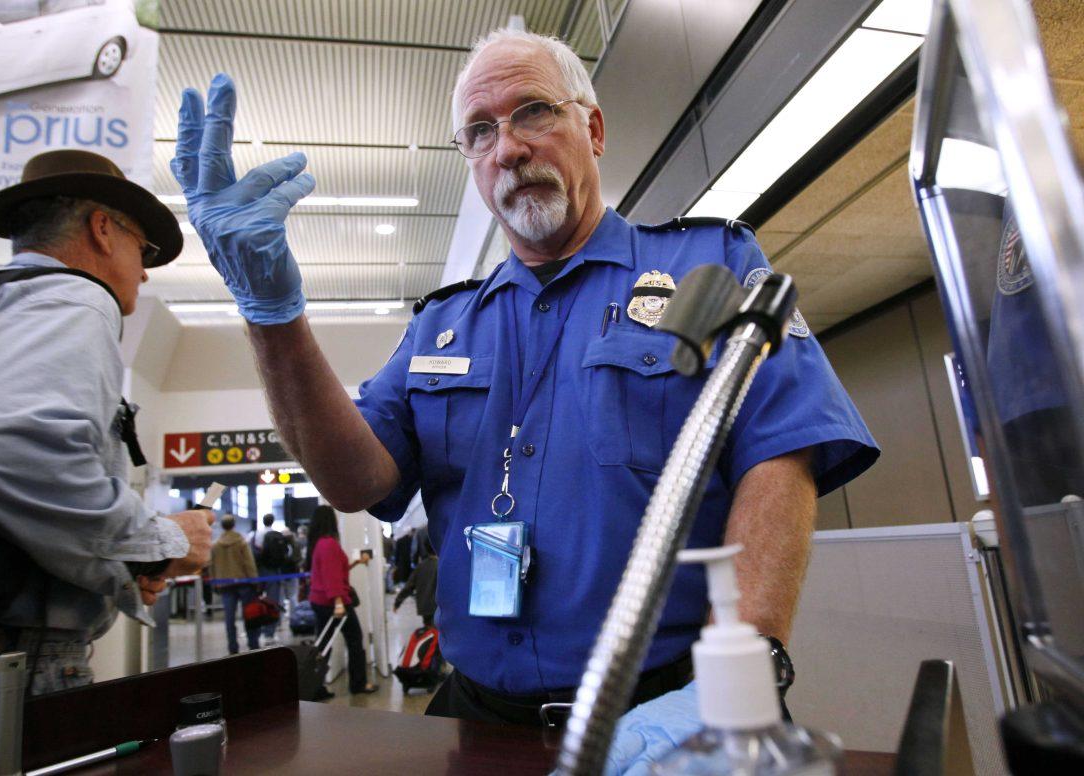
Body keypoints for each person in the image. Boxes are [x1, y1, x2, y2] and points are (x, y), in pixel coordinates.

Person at [172, 29, 877, 763]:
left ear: (594, 128)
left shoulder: (710, 266)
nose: (507, 148)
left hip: (669, 720)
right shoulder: (441, 327)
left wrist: (751, 668)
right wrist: (272, 317)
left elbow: (781, 455)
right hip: (480, 724)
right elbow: (356, 481)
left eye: (534, 112)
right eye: (480, 131)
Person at [0, 150, 213, 722]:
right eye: (146, 248)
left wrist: (128, 565)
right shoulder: (73, 297)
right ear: (103, 228)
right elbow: (9, 451)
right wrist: (162, 539)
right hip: (9, 659)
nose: (144, 271)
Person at [305, 506, 378, 695]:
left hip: (321, 601)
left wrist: (356, 562)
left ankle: (314, 686)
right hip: (333, 603)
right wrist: (338, 602)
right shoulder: (328, 544)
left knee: (323, 645)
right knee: (355, 640)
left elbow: (336, 570)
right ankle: (358, 684)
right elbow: (332, 577)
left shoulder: (318, 544)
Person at [211, 514, 262, 654]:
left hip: (225, 585)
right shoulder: (241, 542)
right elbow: (249, 563)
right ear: (234, 525)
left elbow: (212, 565)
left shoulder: (215, 545)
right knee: (249, 614)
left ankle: (233, 648)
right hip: (244, 583)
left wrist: (215, 582)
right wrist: (255, 581)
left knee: (229, 618)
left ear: (222, 526)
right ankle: (253, 644)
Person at [394, 529, 438, 628]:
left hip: (425, 608)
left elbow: (409, 587)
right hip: (437, 608)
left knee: (429, 633)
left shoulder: (420, 567)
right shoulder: (441, 566)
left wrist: (398, 602)